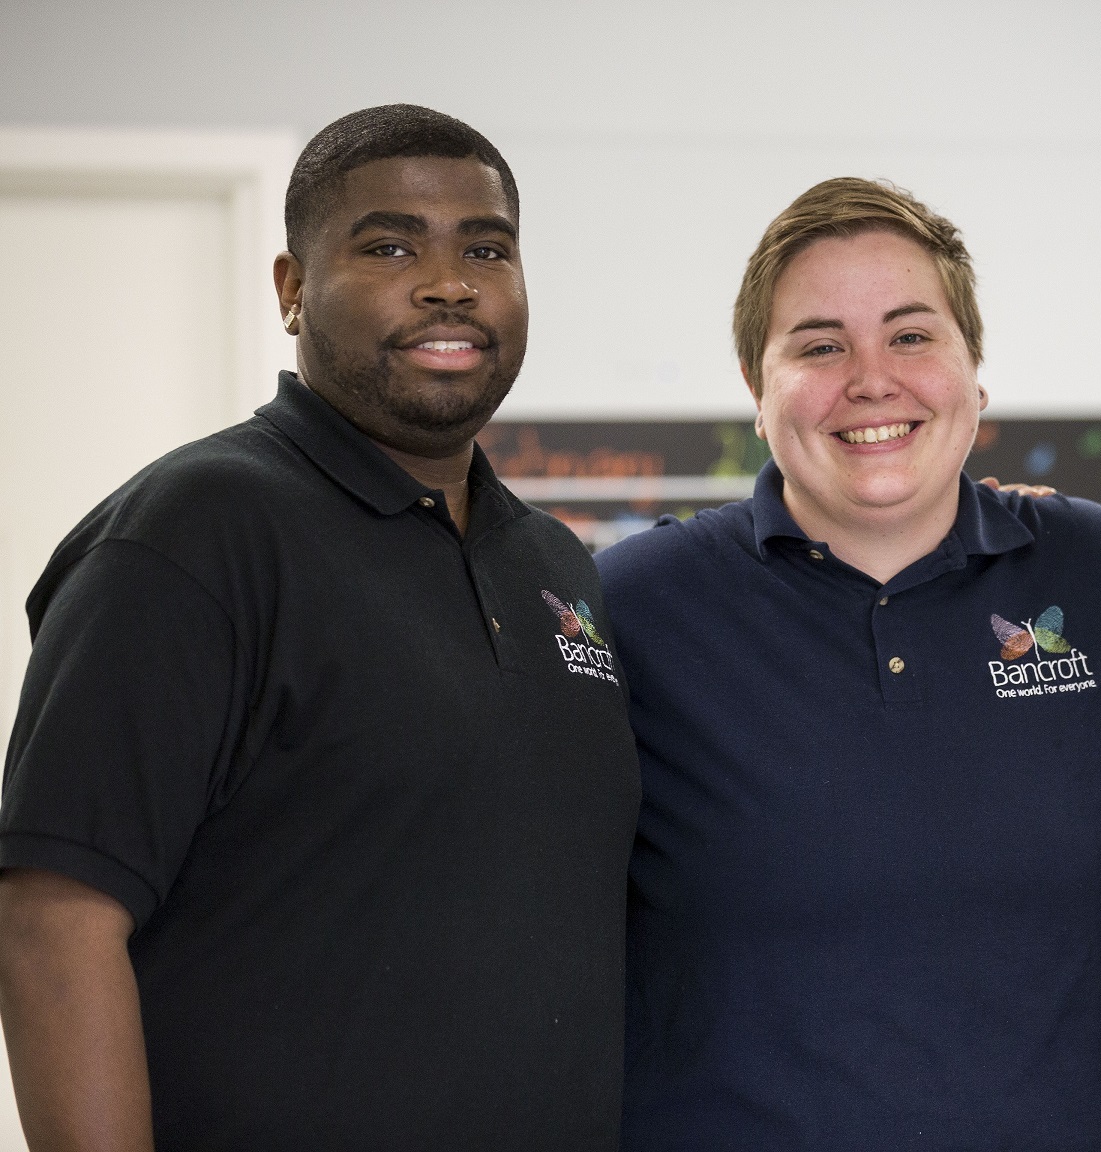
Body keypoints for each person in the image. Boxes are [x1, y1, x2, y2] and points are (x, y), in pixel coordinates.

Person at [0, 105, 639, 1150]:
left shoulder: (555, 567)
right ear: (293, 289)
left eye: (487, 248)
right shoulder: (194, 534)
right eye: (389, 245)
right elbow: (52, 923)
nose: (449, 282)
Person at [596, 177, 1101, 1150]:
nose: (871, 377)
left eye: (912, 334)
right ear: (759, 396)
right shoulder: (638, 606)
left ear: (977, 377)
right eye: (818, 344)